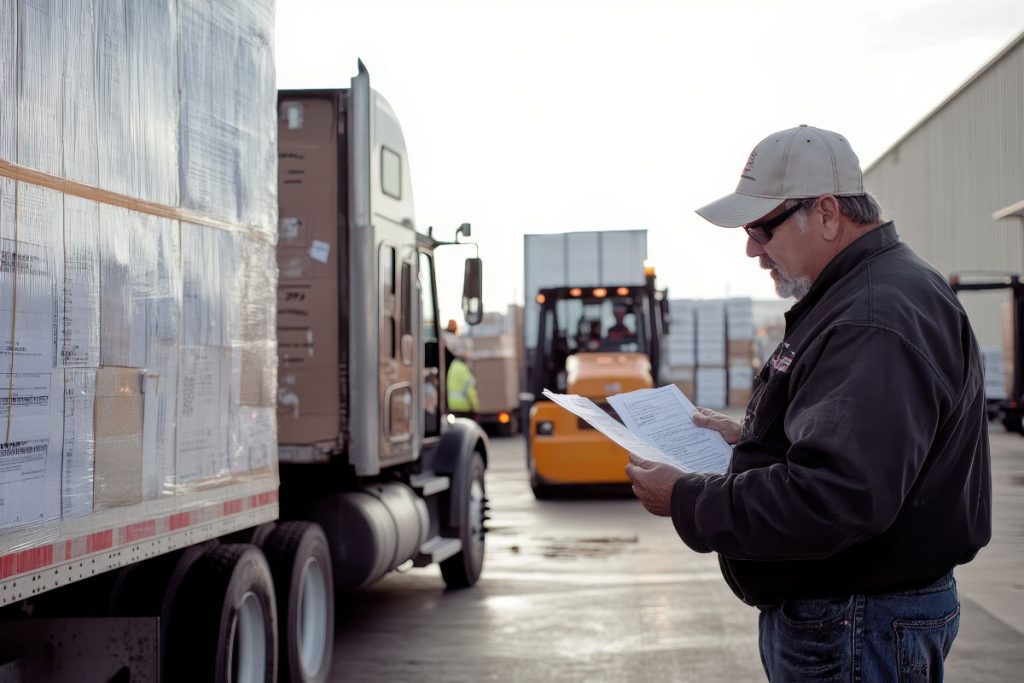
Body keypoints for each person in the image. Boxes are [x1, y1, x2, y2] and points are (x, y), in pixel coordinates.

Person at [626, 125, 991, 681]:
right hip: (857, 617)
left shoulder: (872, 316)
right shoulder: (864, 295)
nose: (752, 247)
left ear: (826, 212)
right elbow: (854, 454)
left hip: (854, 624)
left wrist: (686, 498)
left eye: (761, 228)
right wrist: (753, 443)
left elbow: (836, 495)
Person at [446, 348, 479, 415]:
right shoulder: (463, 369)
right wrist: (475, 406)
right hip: (463, 407)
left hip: (451, 406)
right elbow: (470, 390)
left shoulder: (453, 366)